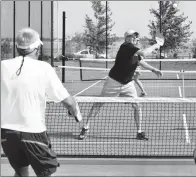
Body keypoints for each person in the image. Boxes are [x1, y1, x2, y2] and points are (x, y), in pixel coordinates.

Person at [1, 28, 81, 177]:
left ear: (17, 47)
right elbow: (68, 101)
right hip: (33, 132)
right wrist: (76, 112)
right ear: (37, 48)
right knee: (45, 173)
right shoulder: (44, 68)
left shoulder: (2, 66)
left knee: (20, 171)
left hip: (7, 133)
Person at [79, 29, 163, 140]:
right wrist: (156, 45)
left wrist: (154, 70)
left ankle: (139, 132)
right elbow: (144, 53)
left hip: (128, 83)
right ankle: (86, 127)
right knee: (99, 104)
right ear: (126, 38)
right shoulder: (126, 47)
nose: (133, 38)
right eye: (131, 36)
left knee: (137, 105)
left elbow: (139, 61)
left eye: (135, 36)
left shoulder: (133, 51)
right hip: (113, 81)